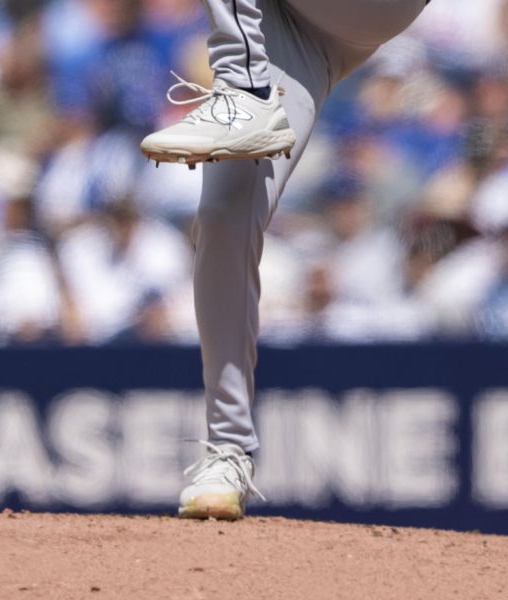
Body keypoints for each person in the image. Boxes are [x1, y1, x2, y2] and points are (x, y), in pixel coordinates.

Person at [141, 0, 431, 520]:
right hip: (289, 27)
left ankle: (243, 84)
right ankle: (228, 452)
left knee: (240, 126)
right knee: (224, 213)